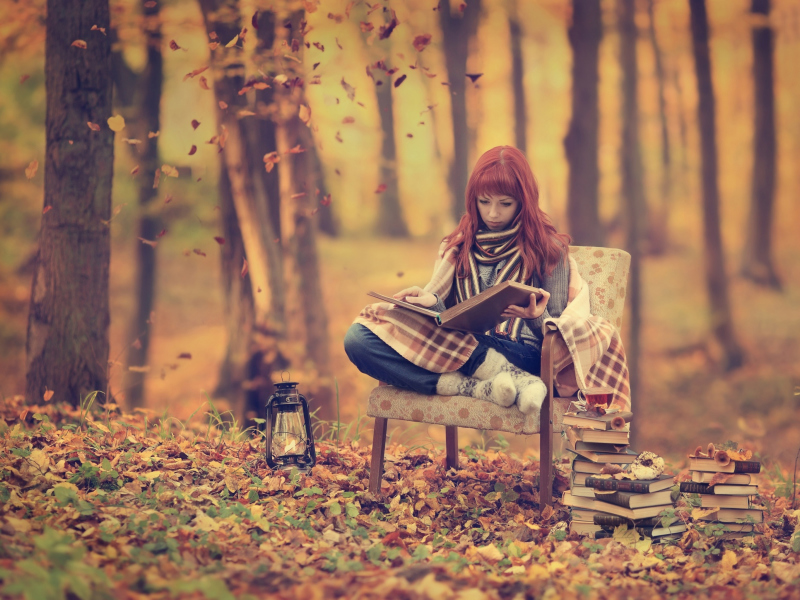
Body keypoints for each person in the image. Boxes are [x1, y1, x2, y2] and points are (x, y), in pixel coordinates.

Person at [344, 146, 572, 417]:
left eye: (505, 203)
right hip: (460, 347)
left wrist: (536, 316)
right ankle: (473, 387)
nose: (493, 214)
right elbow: (452, 318)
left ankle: (508, 374)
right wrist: (432, 303)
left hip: (522, 354)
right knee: (357, 339)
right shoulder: (458, 245)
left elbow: (558, 336)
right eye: (484, 202)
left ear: (524, 201)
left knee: (446, 340)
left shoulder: (549, 249)